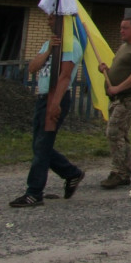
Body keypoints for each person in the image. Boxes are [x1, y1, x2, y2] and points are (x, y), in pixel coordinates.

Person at [10, 14, 86, 207]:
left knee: (42, 147)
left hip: (56, 97)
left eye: (52, 18)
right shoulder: (48, 44)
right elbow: (33, 68)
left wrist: (56, 103)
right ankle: (71, 173)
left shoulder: (72, 46)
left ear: (62, 21)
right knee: (38, 145)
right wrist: (49, 50)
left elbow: (65, 76)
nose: (48, 21)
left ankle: (34, 192)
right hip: (42, 97)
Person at [98, 15, 131, 189]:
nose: (121, 31)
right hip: (116, 98)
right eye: (121, 27)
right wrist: (106, 71)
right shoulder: (124, 47)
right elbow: (120, 69)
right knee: (120, 134)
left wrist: (118, 87)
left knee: (114, 132)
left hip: (127, 98)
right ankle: (123, 171)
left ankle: (119, 172)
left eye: (125, 28)